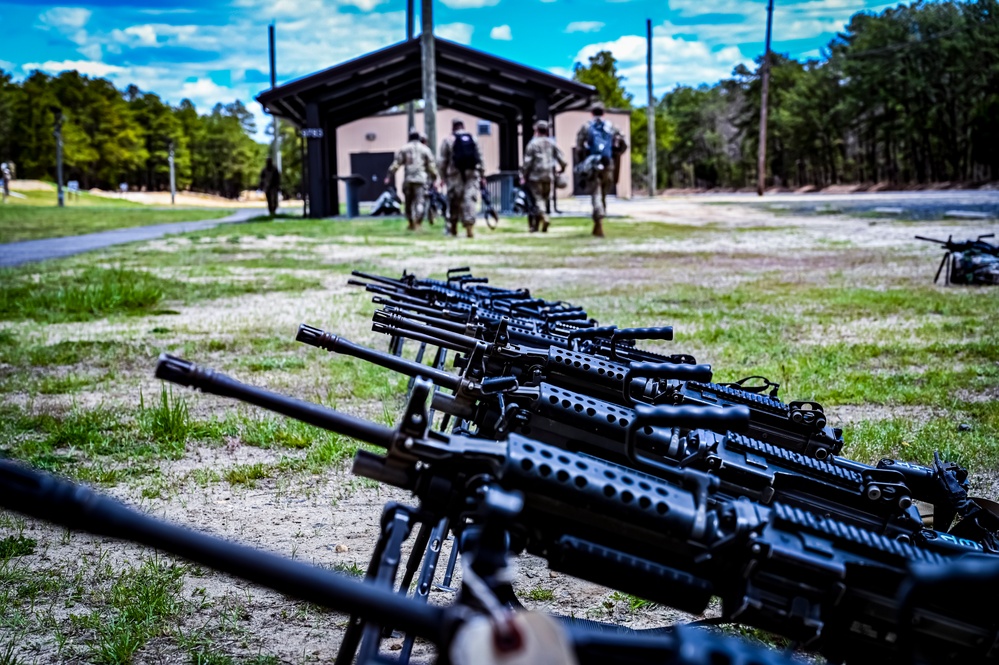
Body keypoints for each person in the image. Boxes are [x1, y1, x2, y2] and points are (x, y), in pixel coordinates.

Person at [575, 101, 627, 237]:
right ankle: (600, 219)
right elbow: (624, 144)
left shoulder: (586, 127)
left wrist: (582, 161)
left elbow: (579, 147)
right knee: (604, 193)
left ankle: (599, 217)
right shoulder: (612, 127)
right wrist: (616, 153)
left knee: (595, 193)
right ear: (604, 113)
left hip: (593, 164)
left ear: (592, 113)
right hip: (608, 163)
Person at [439, 117, 484, 238]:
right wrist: (482, 175)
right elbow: (480, 158)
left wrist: (442, 177)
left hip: (454, 175)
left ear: (453, 127)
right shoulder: (473, 138)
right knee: (469, 199)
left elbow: (443, 161)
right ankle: (469, 227)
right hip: (472, 174)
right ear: (463, 126)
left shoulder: (448, 140)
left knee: (454, 200)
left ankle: (453, 227)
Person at [385, 127, 439, 230]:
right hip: (421, 180)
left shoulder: (404, 148)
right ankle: (418, 222)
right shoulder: (425, 149)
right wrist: (435, 177)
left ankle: (410, 222)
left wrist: (389, 175)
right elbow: (431, 166)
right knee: (420, 202)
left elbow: (396, 163)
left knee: (408, 203)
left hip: (408, 179)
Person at [520, 120, 567, 233]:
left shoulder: (532, 144)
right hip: (549, 175)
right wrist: (562, 169)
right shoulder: (552, 143)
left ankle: (544, 217)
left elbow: (527, 162)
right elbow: (562, 159)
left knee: (537, 199)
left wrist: (523, 175)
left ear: (536, 130)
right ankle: (536, 226)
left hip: (535, 176)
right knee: (545, 199)